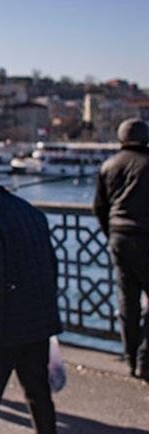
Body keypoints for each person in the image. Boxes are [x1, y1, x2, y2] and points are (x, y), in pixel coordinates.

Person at [0, 162, 62, 434]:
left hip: (2, 329)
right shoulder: (30, 211)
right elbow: (51, 267)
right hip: (37, 324)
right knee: (40, 396)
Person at [93, 118, 149, 380]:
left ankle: (130, 358)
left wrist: (111, 232)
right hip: (144, 236)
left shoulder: (109, 165)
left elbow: (100, 207)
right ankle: (145, 357)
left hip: (119, 237)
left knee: (127, 301)